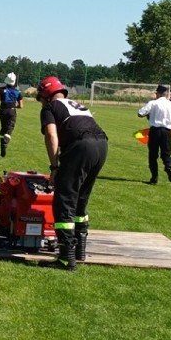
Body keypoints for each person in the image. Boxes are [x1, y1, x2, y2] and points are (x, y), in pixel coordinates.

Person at [36, 76, 108, 271]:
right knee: (81, 197)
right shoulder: (77, 104)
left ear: (45, 95)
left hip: (81, 145)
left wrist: (54, 168)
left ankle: (67, 258)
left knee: (64, 201)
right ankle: (80, 250)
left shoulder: (50, 108)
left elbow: (51, 135)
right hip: (102, 145)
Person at [138, 85, 171, 184]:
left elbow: (140, 113)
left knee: (153, 156)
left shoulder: (153, 103)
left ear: (160, 93)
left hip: (155, 131)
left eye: (156, 93)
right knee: (166, 153)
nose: (156, 95)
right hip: (167, 131)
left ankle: (154, 178)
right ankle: (168, 167)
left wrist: (149, 114)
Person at [0, 72, 23, 158]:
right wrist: (14, 105)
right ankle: (5, 141)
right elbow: (21, 106)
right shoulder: (17, 92)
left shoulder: (0, 89)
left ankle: (2, 148)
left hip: (2, 111)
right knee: (9, 128)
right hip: (11, 111)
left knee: (3, 129)